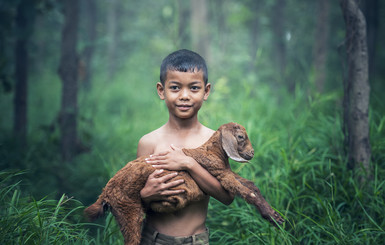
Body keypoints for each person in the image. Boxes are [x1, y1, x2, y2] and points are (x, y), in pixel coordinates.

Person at [137, 49, 233, 245]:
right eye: (175, 87)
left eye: (194, 88)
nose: (184, 96)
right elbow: (131, 199)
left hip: (195, 241)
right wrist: (146, 195)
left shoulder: (214, 141)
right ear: (161, 90)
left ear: (206, 91)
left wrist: (189, 164)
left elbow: (227, 196)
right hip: (151, 239)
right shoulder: (149, 142)